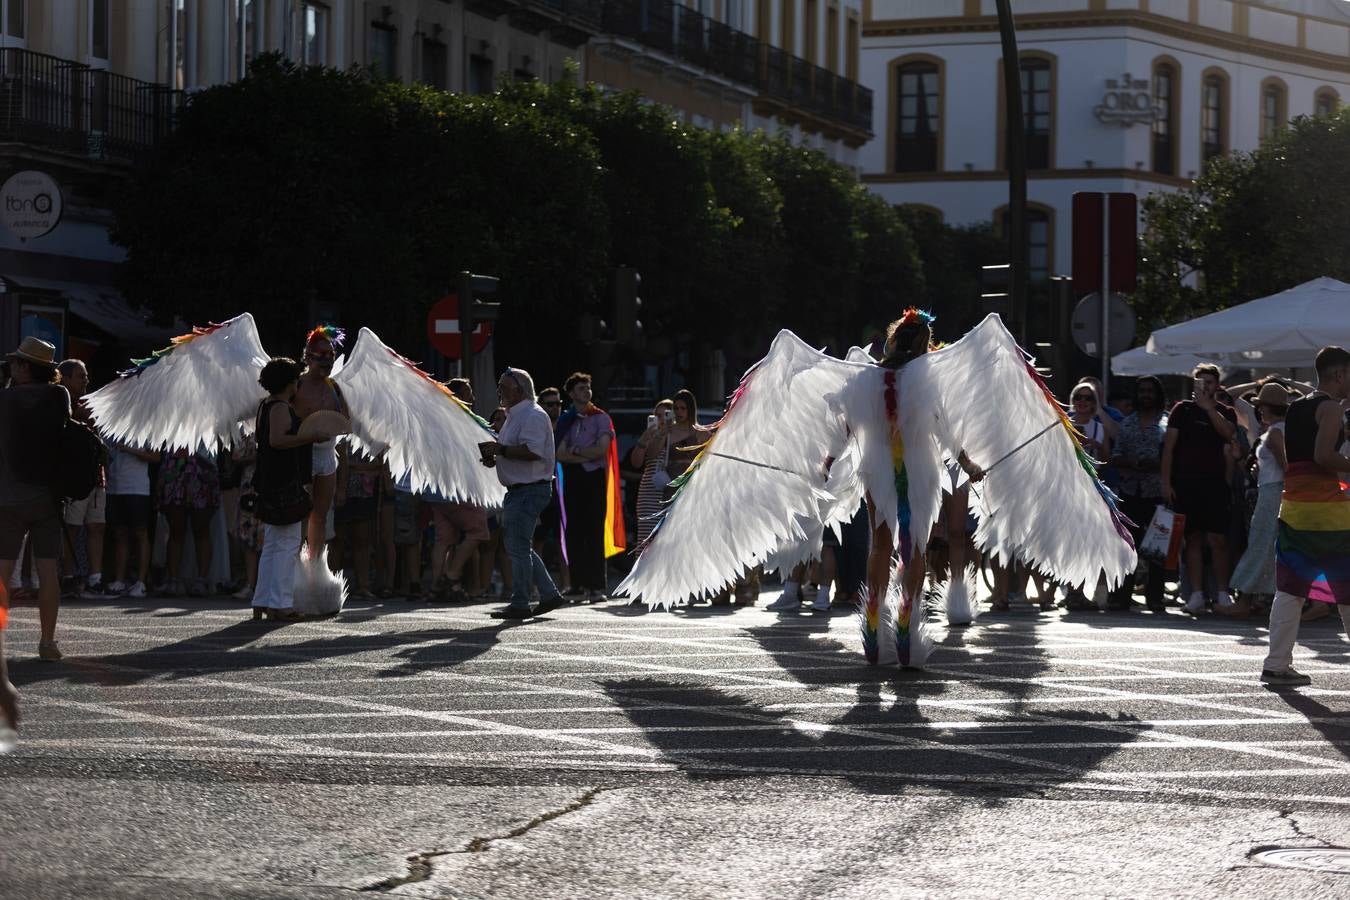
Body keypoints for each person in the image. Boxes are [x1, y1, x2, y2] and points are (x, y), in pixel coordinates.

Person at [1261, 347, 1350, 686]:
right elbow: (1323, 456)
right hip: (1328, 513)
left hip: (1294, 507)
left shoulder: (1297, 407)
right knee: (1347, 588)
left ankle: (1276, 664)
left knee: (1290, 588)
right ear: (1340, 374)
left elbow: (1300, 457)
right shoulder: (1330, 409)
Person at [0, 337, 71, 660]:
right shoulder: (59, 395)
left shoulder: (5, 399)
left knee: (3, 571)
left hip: (9, 496)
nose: (11, 367)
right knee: (47, 570)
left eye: (15, 363)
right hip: (48, 496)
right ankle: (47, 642)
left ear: (25, 367)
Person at [481, 367, 566, 619]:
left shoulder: (532, 415)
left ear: (519, 390)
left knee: (517, 547)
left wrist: (500, 451)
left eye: (504, 387)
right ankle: (549, 594)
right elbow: (516, 450)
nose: (499, 391)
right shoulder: (517, 414)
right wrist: (496, 455)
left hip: (529, 489)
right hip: (523, 489)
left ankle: (520, 602)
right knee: (520, 546)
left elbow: (533, 451)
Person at [251, 358, 326, 621]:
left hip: (269, 479)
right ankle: (281, 603)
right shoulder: (281, 406)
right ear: (289, 383)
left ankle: (262, 600)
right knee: (288, 544)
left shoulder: (265, 405)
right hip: (283, 480)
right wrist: (310, 436)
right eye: (296, 380)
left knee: (273, 544)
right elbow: (278, 440)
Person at [1161, 364, 1239, 616]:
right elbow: (1169, 448)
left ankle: (1223, 593)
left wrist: (1208, 408)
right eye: (1200, 382)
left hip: (1215, 484)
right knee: (1192, 539)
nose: (1205, 386)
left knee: (1218, 540)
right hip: (1185, 484)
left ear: (1217, 385)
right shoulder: (1181, 410)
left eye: (1209, 382)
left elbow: (1229, 434)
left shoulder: (1225, 411)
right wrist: (1166, 482)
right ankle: (1196, 595)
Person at [555, 372, 621, 602]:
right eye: (581, 388)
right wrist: (584, 454)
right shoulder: (567, 419)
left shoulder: (600, 417)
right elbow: (559, 453)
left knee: (594, 531)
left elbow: (601, 449)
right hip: (573, 478)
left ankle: (596, 586)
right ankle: (576, 584)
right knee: (574, 530)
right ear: (571, 394)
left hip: (593, 479)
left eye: (588, 388)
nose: (586, 391)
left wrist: (575, 452)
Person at [1109, 376, 1170, 613]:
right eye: (1142, 391)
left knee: (1158, 546)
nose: (1146, 395)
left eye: (1150, 391)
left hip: (1157, 492)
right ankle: (1121, 596)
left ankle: (1155, 597)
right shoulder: (1127, 423)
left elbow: (1172, 456)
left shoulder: (1166, 422)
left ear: (1157, 395)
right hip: (1131, 491)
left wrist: (1156, 464)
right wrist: (1130, 462)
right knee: (1127, 545)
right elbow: (1116, 455)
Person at [1231, 382, 1290, 613]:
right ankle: (1255, 598)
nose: (1259, 410)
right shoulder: (1280, 429)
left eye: (1262, 406)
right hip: (1272, 489)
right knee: (1267, 545)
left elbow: (1286, 467)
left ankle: (1244, 600)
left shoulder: (1275, 432)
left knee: (1260, 543)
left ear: (1268, 407)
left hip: (1273, 492)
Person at [56, 359, 110, 599]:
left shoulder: (91, 404)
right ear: (65, 378)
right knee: (72, 528)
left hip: (97, 477)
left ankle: (95, 579)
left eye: (86, 375)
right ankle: (68, 577)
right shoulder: (59, 403)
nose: (86, 380)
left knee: (97, 526)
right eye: (80, 376)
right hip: (74, 480)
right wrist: (76, 415)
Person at [293, 325, 348, 556]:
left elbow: (345, 422)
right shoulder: (295, 385)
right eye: (322, 355)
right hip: (301, 455)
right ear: (308, 357)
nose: (328, 361)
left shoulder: (334, 387)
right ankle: (293, 566)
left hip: (327, 457)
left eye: (331, 355)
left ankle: (314, 567)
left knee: (320, 517)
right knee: (299, 516)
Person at [1063, 381, 1112, 611]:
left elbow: (1107, 458)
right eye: (1079, 397)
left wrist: (1095, 445)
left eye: (1088, 398)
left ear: (1095, 403)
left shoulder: (1098, 428)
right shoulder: (1063, 423)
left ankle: (1079, 590)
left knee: (1086, 541)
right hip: (1067, 485)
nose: (1083, 402)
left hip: (1090, 486)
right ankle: (1072, 591)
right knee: (1069, 541)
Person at [157, 447, 220, 596]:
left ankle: (201, 580)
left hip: (203, 471)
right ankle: (173, 580)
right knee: (175, 530)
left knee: (202, 529)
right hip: (175, 472)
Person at [105, 441, 159, 599]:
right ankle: (119, 580)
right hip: (115, 487)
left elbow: (156, 457)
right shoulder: (110, 429)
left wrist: (128, 449)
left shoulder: (145, 429)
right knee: (120, 534)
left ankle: (141, 583)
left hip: (137, 488)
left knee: (140, 533)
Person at [632, 398, 674, 546]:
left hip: (671, 493)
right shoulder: (651, 436)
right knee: (647, 541)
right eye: (658, 416)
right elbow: (636, 463)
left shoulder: (678, 437)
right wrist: (644, 439)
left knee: (667, 542)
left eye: (666, 415)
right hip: (649, 495)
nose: (661, 419)